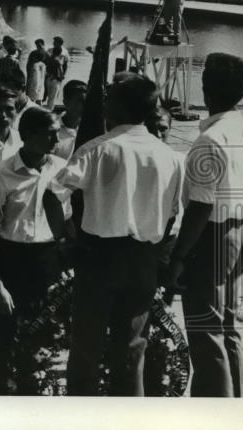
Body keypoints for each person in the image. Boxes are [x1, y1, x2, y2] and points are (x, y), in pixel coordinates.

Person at [42, 74, 183, 396]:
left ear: (118, 106)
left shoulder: (97, 149)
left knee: (86, 350)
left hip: (99, 259)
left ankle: (83, 428)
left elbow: (53, 194)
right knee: (132, 351)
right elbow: (174, 212)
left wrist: (64, 239)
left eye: (109, 100)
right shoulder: (169, 156)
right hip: (143, 260)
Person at [167, 53, 243, 397]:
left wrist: (178, 256)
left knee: (206, 338)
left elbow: (200, 207)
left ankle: (215, 417)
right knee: (228, 328)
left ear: (207, 90)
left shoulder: (209, 140)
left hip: (212, 239)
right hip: (242, 233)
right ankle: (234, 404)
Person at [0, 108, 69, 394]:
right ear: (28, 135)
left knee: (43, 335)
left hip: (47, 261)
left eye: (57, 131)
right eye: (49, 132)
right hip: (10, 260)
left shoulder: (62, 169)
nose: (56, 138)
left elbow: (70, 219)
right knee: (1, 337)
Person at [52, 79, 87, 160]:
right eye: (80, 100)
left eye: (86, 101)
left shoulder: (89, 129)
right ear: (66, 102)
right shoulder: (51, 127)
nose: (84, 105)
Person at [44, 36, 69, 109]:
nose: (53, 43)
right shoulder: (50, 50)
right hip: (54, 76)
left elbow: (65, 65)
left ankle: (49, 108)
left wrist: (63, 74)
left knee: (51, 95)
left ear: (59, 43)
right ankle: (49, 109)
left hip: (54, 76)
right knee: (51, 96)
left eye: (55, 42)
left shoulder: (65, 52)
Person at [25, 39, 49, 103]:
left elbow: (48, 66)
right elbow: (28, 65)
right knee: (36, 92)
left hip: (40, 76)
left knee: (38, 92)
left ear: (43, 44)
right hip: (36, 76)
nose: (38, 47)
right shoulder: (35, 53)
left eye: (39, 45)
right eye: (37, 45)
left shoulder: (46, 54)